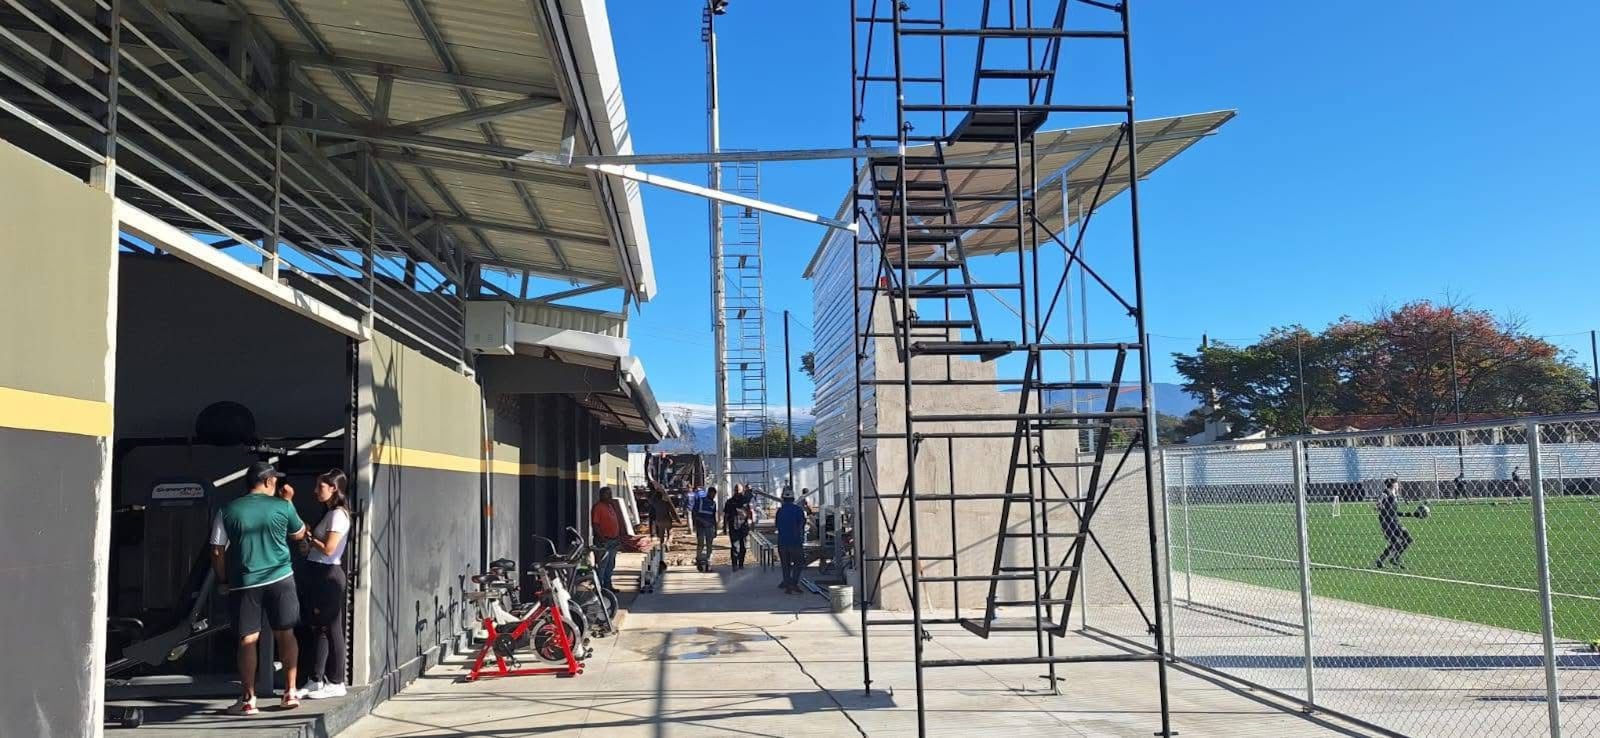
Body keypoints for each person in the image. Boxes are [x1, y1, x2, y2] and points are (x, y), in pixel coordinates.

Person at [210, 462, 308, 714]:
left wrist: (223, 580)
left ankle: (248, 699)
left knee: (247, 640)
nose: (276, 484)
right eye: (274, 480)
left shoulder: (227, 510)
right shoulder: (282, 506)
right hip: (281, 579)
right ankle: (290, 692)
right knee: (285, 633)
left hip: (245, 583)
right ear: (266, 482)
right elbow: (299, 535)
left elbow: (217, 549)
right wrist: (290, 501)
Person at [298, 469, 351, 700]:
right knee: (318, 627)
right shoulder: (328, 514)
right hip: (316, 572)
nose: (316, 491)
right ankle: (316, 678)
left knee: (331, 627)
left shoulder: (338, 515)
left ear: (334, 489)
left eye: (321, 487)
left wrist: (309, 536)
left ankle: (337, 681)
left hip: (328, 574)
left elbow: (329, 548)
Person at [1374, 477, 1421, 569]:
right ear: (1393, 485)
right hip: (1387, 522)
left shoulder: (1394, 495)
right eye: (1397, 484)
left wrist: (1410, 514)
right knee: (1397, 542)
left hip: (1394, 521)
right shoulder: (1386, 493)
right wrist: (1379, 506)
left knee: (1406, 540)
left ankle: (1389, 559)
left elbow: (1394, 512)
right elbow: (1379, 503)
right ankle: (1390, 559)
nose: (1398, 485)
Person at [589, 486, 624, 591]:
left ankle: (608, 585)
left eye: (610, 493)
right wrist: (602, 538)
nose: (610, 496)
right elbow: (595, 524)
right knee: (602, 565)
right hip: (604, 541)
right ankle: (600, 588)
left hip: (614, 540)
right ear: (601, 495)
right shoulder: (598, 507)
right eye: (607, 494)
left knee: (611, 564)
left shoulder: (610, 506)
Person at [775, 489, 807, 593]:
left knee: (785, 565)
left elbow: (777, 525)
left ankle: (788, 584)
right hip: (795, 542)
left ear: (783, 499)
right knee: (799, 563)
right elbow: (802, 524)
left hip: (782, 542)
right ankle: (794, 583)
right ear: (793, 499)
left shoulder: (779, 511)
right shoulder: (798, 510)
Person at [690, 485, 719, 572]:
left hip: (710, 526)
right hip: (701, 526)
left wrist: (715, 529)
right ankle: (699, 560)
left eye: (714, 495)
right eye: (712, 494)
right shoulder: (700, 501)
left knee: (709, 545)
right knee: (701, 544)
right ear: (709, 493)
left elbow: (714, 517)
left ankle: (708, 562)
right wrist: (698, 523)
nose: (713, 496)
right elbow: (694, 513)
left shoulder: (713, 504)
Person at [724, 485, 754, 570]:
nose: (737, 492)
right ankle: (734, 564)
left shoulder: (745, 501)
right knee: (734, 546)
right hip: (733, 526)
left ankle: (741, 564)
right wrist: (724, 527)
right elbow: (726, 514)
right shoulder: (729, 502)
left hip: (743, 526)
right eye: (736, 490)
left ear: (742, 491)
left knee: (743, 547)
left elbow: (750, 512)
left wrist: (751, 523)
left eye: (739, 490)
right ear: (734, 490)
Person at [648, 483, 678, 551]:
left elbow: (650, 501)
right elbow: (672, 510)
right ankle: (668, 543)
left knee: (661, 535)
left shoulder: (655, 503)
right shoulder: (666, 502)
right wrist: (676, 519)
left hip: (659, 520)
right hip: (667, 519)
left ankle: (661, 546)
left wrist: (655, 492)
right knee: (670, 533)